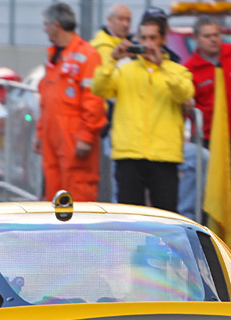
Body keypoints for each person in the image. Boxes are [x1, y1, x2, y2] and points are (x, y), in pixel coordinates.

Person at [93, 13, 194, 212]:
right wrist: (112, 60)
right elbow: (99, 88)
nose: (147, 44)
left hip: (164, 156)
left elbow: (185, 93)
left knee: (166, 218)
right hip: (129, 154)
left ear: (163, 40)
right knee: (130, 219)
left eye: (153, 38)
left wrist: (161, 67)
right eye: (143, 38)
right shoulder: (124, 70)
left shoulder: (177, 70)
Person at [184, 15, 231, 237]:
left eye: (216, 35)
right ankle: (207, 245)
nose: (213, 40)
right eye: (207, 36)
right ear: (197, 38)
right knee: (209, 197)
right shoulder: (190, 69)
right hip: (208, 142)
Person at [34, 3, 105, 202]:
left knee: (79, 190)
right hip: (53, 137)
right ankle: (55, 232)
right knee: (53, 192)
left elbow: (94, 100)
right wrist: (40, 134)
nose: (44, 29)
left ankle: (81, 233)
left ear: (56, 25)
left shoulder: (88, 55)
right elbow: (46, 100)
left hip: (74, 138)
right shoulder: (55, 56)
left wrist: (86, 135)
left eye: (46, 24)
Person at [90, 4, 132, 202]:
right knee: (114, 182)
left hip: (120, 122)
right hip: (107, 122)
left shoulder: (126, 45)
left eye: (128, 20)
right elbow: (108, 88)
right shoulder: (102, 47)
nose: (125, 24)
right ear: (109, 20)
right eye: (121, 19)